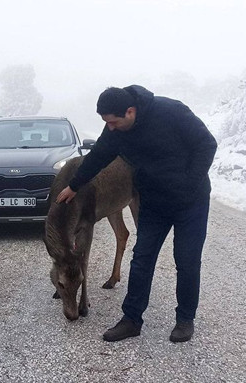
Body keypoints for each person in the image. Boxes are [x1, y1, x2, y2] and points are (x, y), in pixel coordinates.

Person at [56, 85, 216, 343]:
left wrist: (189, 183)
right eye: (105, 123)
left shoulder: (171, 112)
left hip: (191, 201)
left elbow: (207, 145)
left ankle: (185, 320)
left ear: (130, 112)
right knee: (141, 260)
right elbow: (98, 156)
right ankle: (131, 320)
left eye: (113, 122)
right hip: (154, 201)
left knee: (187, 261)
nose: (110, 128)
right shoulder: (115, 130)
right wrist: (74, 186)